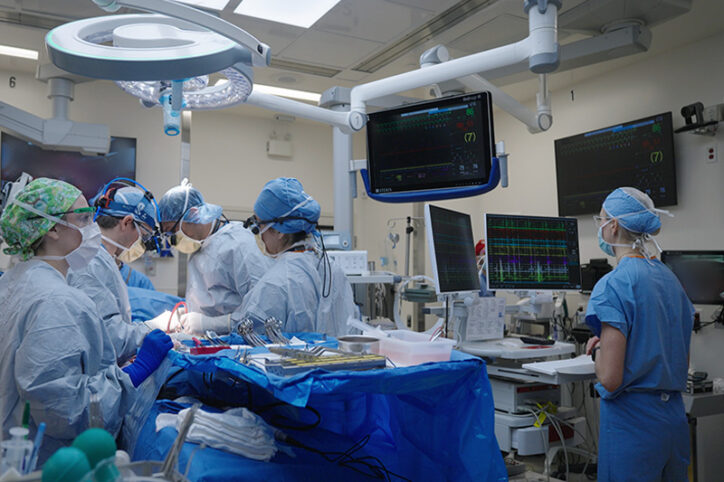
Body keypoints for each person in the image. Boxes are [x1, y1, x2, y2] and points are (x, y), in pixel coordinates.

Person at [0, 178, 172, 463]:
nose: (93, 229)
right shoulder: (56, 300)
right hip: (46, 462)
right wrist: (133, 373)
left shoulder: (15, 282)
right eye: (82, 219)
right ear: (52, 227)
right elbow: (64, 410)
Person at [585, 187, 693, 481]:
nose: (601, 226)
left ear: (613, 226)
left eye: (602, 219)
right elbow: (678, 355)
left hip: (632, 426)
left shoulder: (614, 285)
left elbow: (609, 377)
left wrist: (597, 351)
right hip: (672, 420)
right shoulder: (670, 279)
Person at [240, 177, 356, 336]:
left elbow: (251, 339)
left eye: (259, 227)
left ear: (279, 231)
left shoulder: (275, 284)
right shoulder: (333, 269)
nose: (260, 236)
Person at [67, 184, 168, 364]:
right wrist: (152, 328)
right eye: (143, 236)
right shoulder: (92, 261)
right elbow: (110, 337)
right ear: (127, 222)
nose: (142, 244)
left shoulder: (103, 259)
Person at [158, 179, 271, 334]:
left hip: (239, 344)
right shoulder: (200, 246)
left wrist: (210, 323)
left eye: (172, 230)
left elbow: (262, 311)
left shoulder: (238, 244)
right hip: (210, 344)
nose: (172, 240)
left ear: (192, 214)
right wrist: (190, 314)